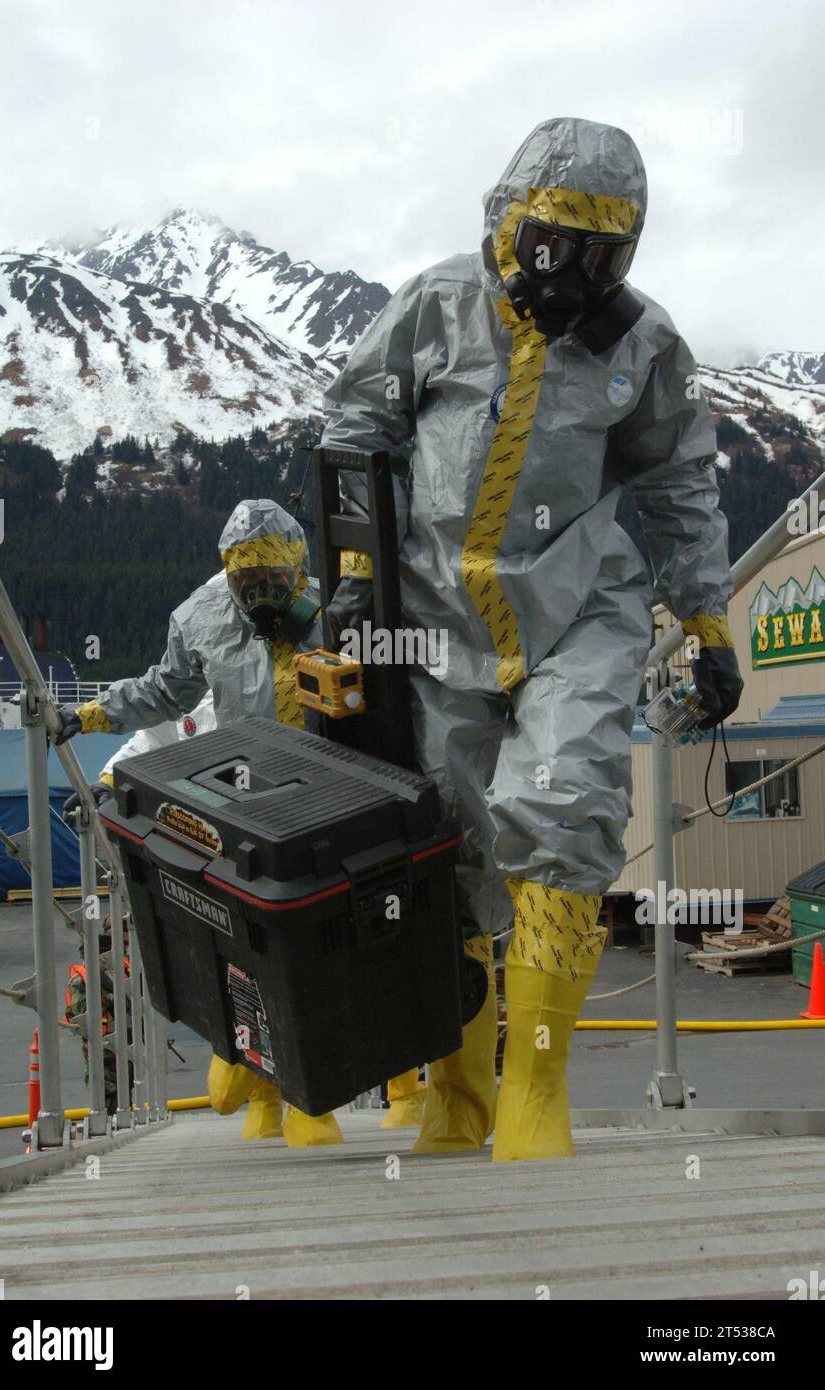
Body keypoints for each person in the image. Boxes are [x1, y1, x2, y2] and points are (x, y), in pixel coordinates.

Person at [322, 116, 743, 1162]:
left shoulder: (640, 343)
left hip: (580, 610)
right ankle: (459, 1098)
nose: (576, 274)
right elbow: (354, 429)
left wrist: (703, 618)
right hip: (434, 623)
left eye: (604, 253)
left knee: (557, 805)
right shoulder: (433, 307)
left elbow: (678, 479)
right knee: (452, 846)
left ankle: (534, 1092)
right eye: (558, 243)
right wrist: (357, 583)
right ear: (510, 222)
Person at [54, 498, 425, 1139]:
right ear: (227, 576)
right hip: (250, 801)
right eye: (247, 584)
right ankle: (273, 1095)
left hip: (340, 790)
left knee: (367, 927)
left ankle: (403, 1089)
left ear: (298, 571)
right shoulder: (199, 619)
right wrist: (85, 717)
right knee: (257, 941)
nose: (262, 595)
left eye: (276, 583)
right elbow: (162, 691)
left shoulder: (339, 605)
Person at [64, 918, 131, 1115]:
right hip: (101, 1049)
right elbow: (82, 1011)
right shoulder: (80, 980)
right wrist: (112, 998)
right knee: (106, 1097)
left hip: (123, 1045)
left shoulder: (117, 973)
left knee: (125, 1092)